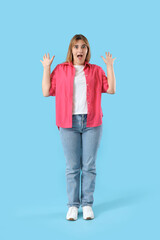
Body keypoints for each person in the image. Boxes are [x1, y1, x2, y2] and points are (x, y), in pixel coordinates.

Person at [40, 34, 116, 221]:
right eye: (76, 47)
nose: (80, 50)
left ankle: (88, 204)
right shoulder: (61, 70)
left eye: (83, 46)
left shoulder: (96, 70)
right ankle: (73, 206)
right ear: (71, 50)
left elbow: (112, 89)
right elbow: (46, 91)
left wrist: (110, 66)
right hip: (68, 123)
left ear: (87, 50)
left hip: (92, 123)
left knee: (89, 166)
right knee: (72, 167)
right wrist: (46, 68)